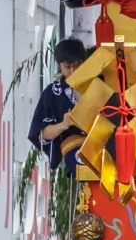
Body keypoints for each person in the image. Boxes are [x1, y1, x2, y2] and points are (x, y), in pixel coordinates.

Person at [29, 36, 94, 170]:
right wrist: (64, 124)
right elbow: (42, 134)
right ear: (59, 65)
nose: (73, 71)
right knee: (82, 160)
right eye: (68, 67)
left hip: (107, 139)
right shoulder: (52, 93)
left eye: (77, 65)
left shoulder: (100, 82)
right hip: (76, 145)